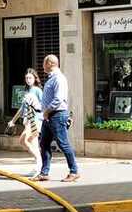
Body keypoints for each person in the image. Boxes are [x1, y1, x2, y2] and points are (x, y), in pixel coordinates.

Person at [34, 54, 79, 182]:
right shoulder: (51, 78)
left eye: (44, 63)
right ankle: (44, 172)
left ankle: (74, 171)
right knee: (44, 144)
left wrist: (47, 111)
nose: (42, 65)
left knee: (63, 144)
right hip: (48, 117)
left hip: (56, 115)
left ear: (50, 64)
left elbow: (59, 99)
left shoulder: (59, 79)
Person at [5, 68, 43, 177]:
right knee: (34, 144)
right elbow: (22, 108)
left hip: (35, 120)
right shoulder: (26, 91)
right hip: (27, 120)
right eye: (26, 78)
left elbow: (44, 105)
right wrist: (13, 121)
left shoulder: (37, 90)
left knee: (23, 140)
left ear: (35, 78)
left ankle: (39, 162)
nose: (28, 80)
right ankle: (38, 167)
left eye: (30, 77)